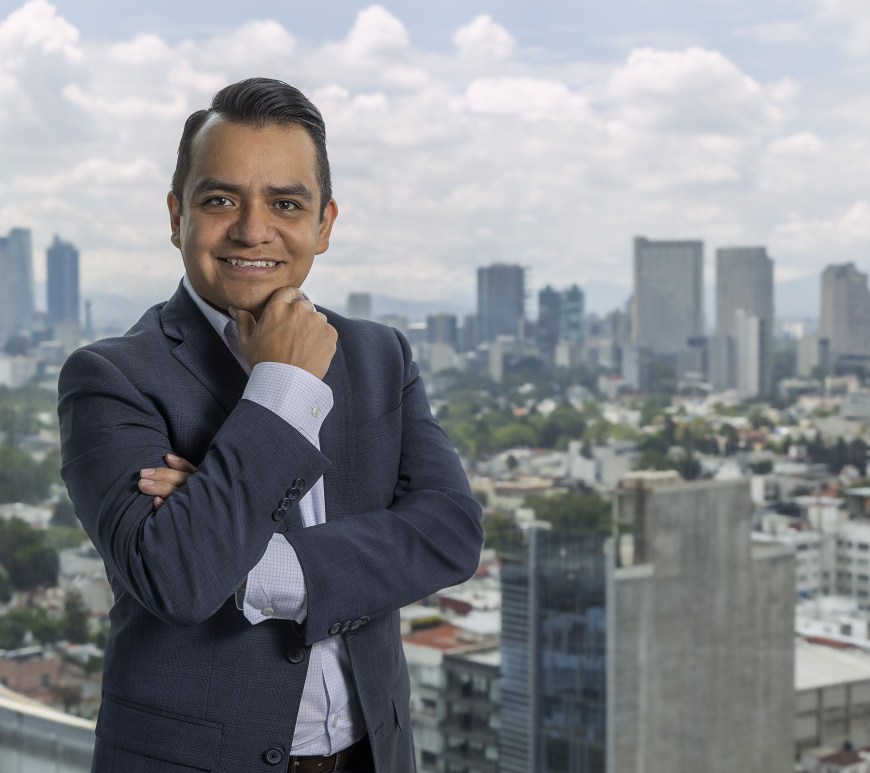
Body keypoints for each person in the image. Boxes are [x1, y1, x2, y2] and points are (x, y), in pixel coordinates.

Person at [58, 77, 483, 773]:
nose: (253, 230)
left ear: (324, 223)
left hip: (374, 755)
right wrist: (283, 385)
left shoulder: (380, 355)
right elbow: (179, 578)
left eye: (285, 203)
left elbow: (452, 534)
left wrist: (253, 563)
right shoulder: (109, 377)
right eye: (220, 200)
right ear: (177, 216)